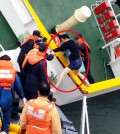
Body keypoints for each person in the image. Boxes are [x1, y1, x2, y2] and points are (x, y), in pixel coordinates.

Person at [0, 55, 26, 134]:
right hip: (7, 96)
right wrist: (23, 97)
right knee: (6, 116)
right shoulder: (13, 73)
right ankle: (4, 131)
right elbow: (18, 86)